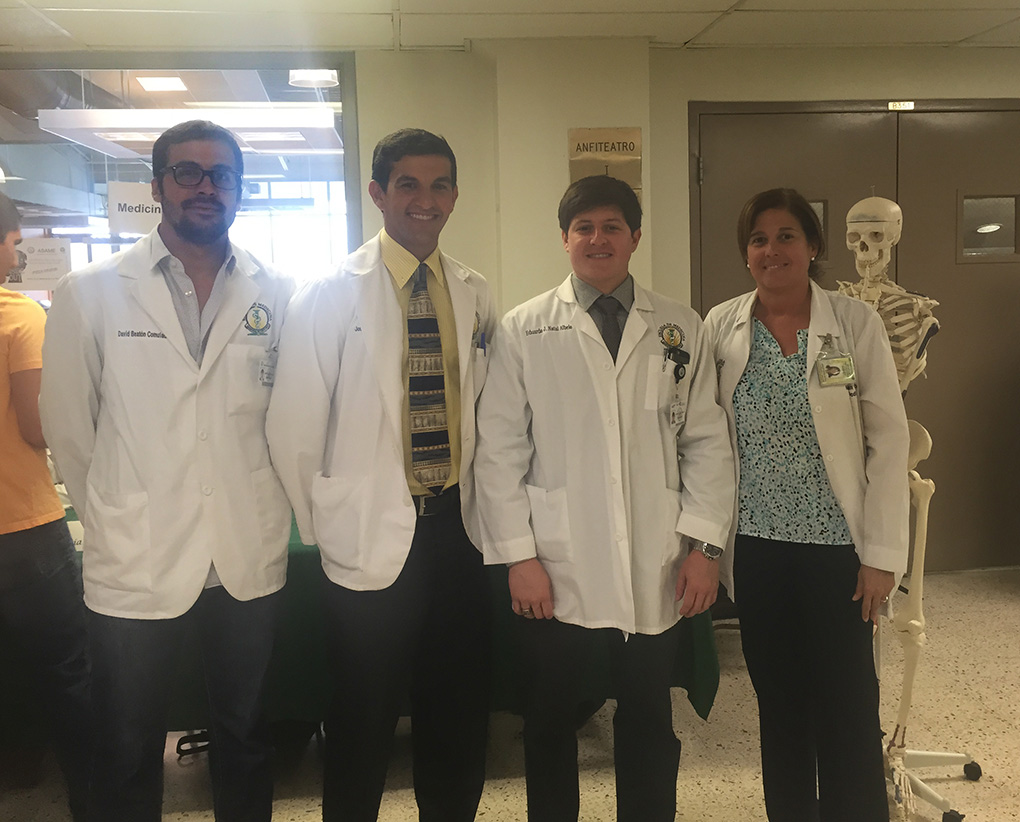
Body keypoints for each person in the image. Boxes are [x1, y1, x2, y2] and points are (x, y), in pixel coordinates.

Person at [40, 120, 295, 822]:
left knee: (245, 736)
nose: (206, 187)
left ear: (239, 189)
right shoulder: (91, 291)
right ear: (157, 186)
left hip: (244, 550)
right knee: (126, 744)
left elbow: (287, 417)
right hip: (138, 552)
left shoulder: (276, 291)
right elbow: (70, 430)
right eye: (188, 173)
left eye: (222, 175)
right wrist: (116, 513)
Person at [474, 175, 735, 822]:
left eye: (612, 226)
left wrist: (705, 547)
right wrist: (519, 557)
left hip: (655, 559)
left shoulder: (679, 326)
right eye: (583, 227)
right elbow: (499, 450)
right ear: (564, 239)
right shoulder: (524, 329)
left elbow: (706, 441)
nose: (598, 239)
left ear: (635, 237)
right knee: (549, 719)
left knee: (648, 716)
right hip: (556, 563)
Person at [267, 128, 497, 822]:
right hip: (366, 534)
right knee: (362, 714)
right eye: (407, 184)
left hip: (458, 531)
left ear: (454, 195)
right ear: (377, 193)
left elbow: (485, 409)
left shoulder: (475, 292)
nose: (425, 200)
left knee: (456, 709)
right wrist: (328, 526)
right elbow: (293, 430)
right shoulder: (328, 293)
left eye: (439, 185)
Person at [703, 187, 909, 822]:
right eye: (759, 239)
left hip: (838, 552)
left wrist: (882, 555)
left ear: (813, 246)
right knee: (781, 706)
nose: (772, 250)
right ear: (746, 252)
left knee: (848, 705)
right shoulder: (722, 326)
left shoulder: (853, 323)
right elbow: (705, 438)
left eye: (786, 236)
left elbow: (888, 439)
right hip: (758, 551)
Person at [0, 190, 91, 821]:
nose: (16, 255)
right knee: (67, 666)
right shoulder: (20, 316)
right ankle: (94, 797)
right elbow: (36, 428)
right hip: (22, 527)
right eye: (12, 242)